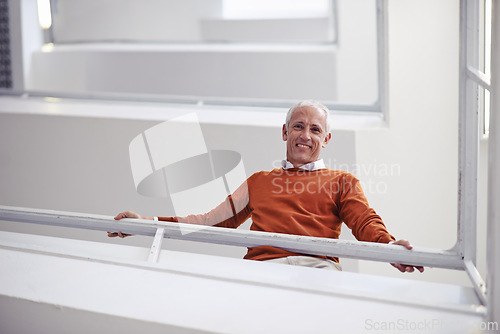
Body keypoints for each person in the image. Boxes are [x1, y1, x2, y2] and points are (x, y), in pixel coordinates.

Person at [110, 100, 424, 273]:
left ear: (326, 139)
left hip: (317, 270)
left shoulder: (342, 182)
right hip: (262, 270)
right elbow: (209, 222)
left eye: (315, 129)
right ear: (285, 132)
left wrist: (386, 247)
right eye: (298, 126)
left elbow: (364, 220)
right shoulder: (259, 181)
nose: (306, 134)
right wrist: (146, 225)